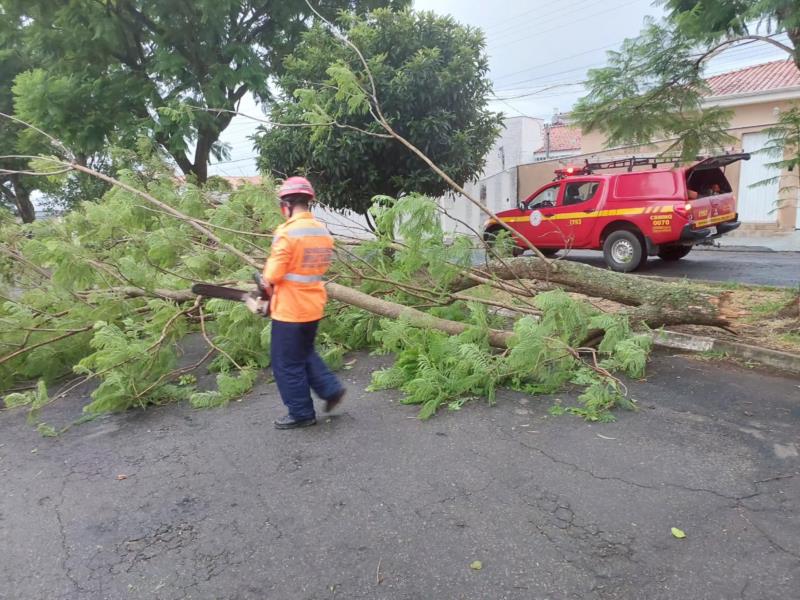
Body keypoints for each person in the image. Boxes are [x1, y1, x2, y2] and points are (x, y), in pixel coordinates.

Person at [246, 177, 345, 429]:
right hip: (313, 304)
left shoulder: (287, 232)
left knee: (286, 362)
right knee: (303, 352)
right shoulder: (322, 231)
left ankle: (301, 413)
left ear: (286, 204)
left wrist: (261, 291)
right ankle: (331, 389)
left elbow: (272, 276)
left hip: (290, 309)